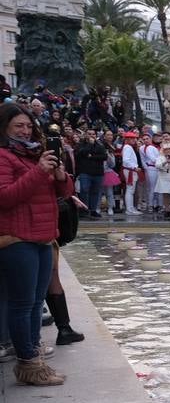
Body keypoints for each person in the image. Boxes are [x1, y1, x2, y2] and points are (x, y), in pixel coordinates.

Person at [0, 103, 73, 385]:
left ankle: (35, 358)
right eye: (19, 126)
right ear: (5, 127)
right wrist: (39, 171)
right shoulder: (4, 157)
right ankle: (28, 363)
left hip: (44, 236)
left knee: (34, 303)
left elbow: (64, 192)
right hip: (17, 238)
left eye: (29, 126)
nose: (25, 130)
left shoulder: (34, 154)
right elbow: (5, 197)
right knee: (21, 303)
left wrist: (59, 175)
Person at [73, 128, 107, 219]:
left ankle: (93, 210)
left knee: (95, 192)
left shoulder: (100, 145)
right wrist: (89, 145)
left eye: (93, 134)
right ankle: (84, 210)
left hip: (98, 172)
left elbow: (104, 156)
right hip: (85, 172)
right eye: (89, 134)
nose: (91, 136)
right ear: (86, 135)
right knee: (84, 190)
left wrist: (91, 156)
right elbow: (81, 154)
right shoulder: (81, 144)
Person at [120, 130, 143, 215]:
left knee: (130, 190)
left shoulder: (127, 147)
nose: (134, 140)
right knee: (130, 190)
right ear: (127, 139)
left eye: (134, 138)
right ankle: (129, 209)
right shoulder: (128, 147)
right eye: (132, 138)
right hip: (131, 170)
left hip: (130, 170)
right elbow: (125, 160)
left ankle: (130, 208)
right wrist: (134, 167)